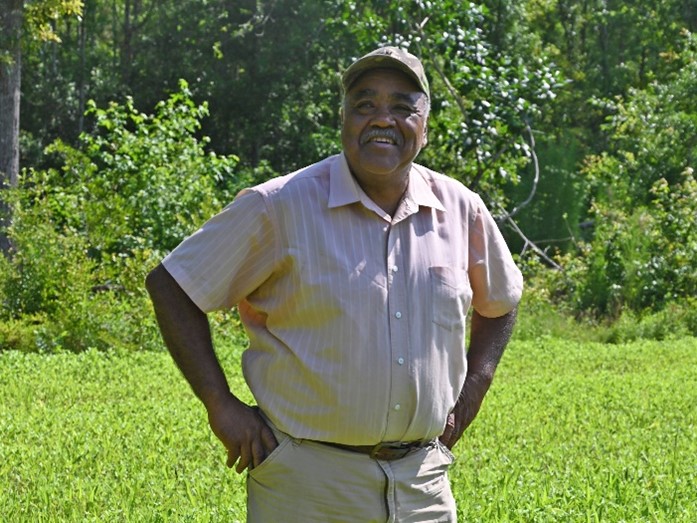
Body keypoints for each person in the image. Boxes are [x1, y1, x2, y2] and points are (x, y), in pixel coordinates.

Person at [146, 46, 523, 522]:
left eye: (402, 107)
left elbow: (502, 299)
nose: (382, 119)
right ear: (343, 120)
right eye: (365, 105)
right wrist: (220, 405)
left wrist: (475, 386)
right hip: (307, 486)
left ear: (424, 126)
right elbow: (173, 284)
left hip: (422, 485)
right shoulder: (279, 206)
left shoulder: (460, 208)